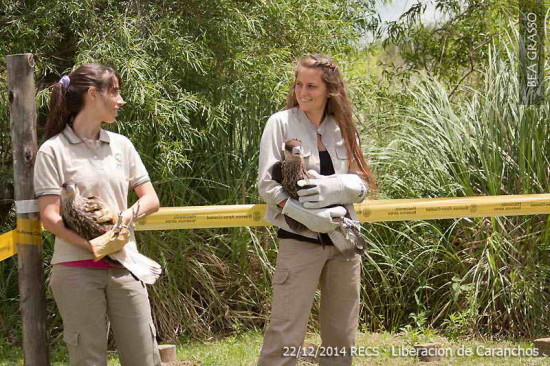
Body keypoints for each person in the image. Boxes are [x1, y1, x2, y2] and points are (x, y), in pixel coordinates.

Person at [34, 64, 162, 365]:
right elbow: (50, 217)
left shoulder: (121, 145)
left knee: (144, 357)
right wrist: (91, 246)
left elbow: (151, 199)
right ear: (93, 94)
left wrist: (125, 217)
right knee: (88, 359)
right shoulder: (52, 151)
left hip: (125, 266)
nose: (121, 100)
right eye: (115, 91)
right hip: (75, 271)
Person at [257, 54, 376, 366]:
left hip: (344, 242)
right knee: (285, 332)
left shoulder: (345, 127)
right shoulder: (279, 123)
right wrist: (309, 217)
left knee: (341, 334)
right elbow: (268, 187)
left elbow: (362, 184)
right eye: (299, 84)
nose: (302, 91)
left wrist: (335, 187)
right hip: (298, 241)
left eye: (312, 86)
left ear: (330, 90)